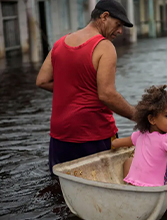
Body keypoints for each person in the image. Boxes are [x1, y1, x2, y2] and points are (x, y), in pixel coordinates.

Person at [36, 0, 136, 175]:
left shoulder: (60, 43)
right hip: (93, 133)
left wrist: (73, 88)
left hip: (60, 135)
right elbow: (107, 94)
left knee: (62, 186)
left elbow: (42, 81)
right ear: (104, 16)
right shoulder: (104, 47)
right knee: (103, 184)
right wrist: (138, 116)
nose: (120, 31)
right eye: (118, 24)